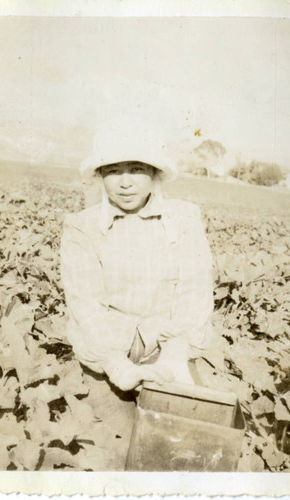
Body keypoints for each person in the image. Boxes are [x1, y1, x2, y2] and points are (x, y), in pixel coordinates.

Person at [60, 116, 214, 394]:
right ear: (100, 176)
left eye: (136, 169)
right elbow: (85, 305)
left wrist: (174, 355)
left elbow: (195, 288)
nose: (125, 182)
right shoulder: (82, 227)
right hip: (107, 357)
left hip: (169, 352)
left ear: (155, 173)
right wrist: (116, 365)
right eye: (113, 171)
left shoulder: (184, 219)